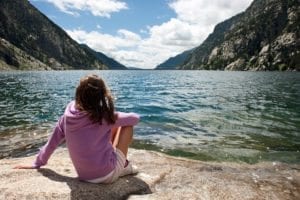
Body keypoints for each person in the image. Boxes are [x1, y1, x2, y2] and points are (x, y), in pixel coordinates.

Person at [14, 74, 140, 184]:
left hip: (84, 176)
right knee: (126, 125)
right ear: (101, 96)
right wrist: (113, 115)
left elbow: (52, 143)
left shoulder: (68, 116)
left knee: (112, 125)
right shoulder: (104, 116)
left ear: (79, 93)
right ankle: (124, 166)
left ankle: (113, 159)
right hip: (107, 176)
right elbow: (135, 118)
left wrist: (37, 163)